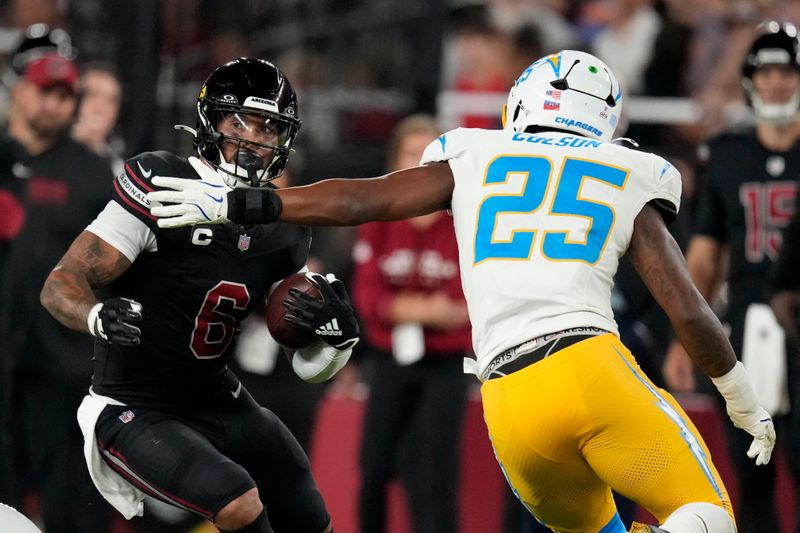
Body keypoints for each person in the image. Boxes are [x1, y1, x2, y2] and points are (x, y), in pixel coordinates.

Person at [149, 50, 776, 533]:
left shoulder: (475, 153)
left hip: (509, 405)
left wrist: (246, 200)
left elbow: (363, 199)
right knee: (708, 515)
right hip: (588, 368)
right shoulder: (627, 170)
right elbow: (687, 308)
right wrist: (740, 395)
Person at [39, 58, 360, 533]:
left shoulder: (282, 227)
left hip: (212, 394)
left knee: (300, 494)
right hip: (135, 404)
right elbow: (60, 284)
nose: (253, 140)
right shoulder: (163, 184)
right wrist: (97, 316)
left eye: (268, 128)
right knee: (236, 500)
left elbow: (302, 360)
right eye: (239, 122)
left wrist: (335, 341)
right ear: (211, 122)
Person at [662, 22, 800, 533]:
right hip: (747, 321)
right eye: (766, 73)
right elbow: (705, 254)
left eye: (786, 71)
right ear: (749, 81)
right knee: (753, 471)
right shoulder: (727, 154)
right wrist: (685, 337)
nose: (776, 83)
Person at [0, 53, 114, 532]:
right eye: (46, 90)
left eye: (66, 96)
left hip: (61, 367)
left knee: (69, 504)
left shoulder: (90, 172)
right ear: (21, 92)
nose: (56, 104)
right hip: (2, 362)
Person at [352, 114, 472, 533]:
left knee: (435, 476)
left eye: (430, 157)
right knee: (374, 467)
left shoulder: (465, 221)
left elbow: (465, 306)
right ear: (394, 159)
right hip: (389, 358)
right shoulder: (379, 217)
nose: (420, 165)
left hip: (446, 364)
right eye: (410, 154)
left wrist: (399, 305)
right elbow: (366, 300)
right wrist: (426, 310)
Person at [72, 62, 125, 176]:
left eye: (111, 100)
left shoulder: (120, 173)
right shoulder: (43, 150)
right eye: (92, 95)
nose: (101, 108)